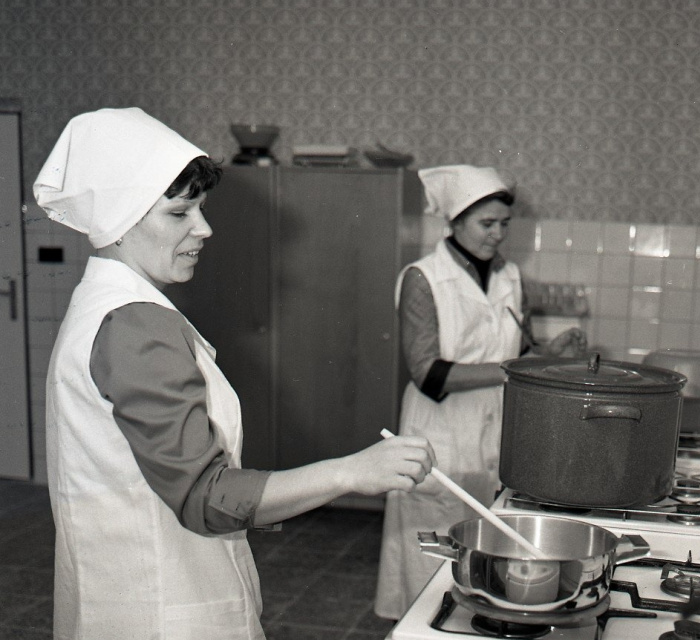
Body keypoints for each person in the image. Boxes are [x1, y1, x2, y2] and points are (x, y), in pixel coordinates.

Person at [35, 107, 435, 640]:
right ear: (120, 218)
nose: (205, 227)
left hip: (131, 590)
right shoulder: (135, 325)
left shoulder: (104, 306)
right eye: (180, 213)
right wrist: (352, 473)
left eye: (200, 208)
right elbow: (205, 495)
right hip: (160, 609)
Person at [374, 164, 586, 619]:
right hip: (441, 432)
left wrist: (552, 351)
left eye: (504, 224)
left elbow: (519, 349)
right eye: (486, 224)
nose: (498, 235)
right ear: (453, 222)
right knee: (431, 566)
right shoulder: (422, 278)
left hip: (495, 429)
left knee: (487, 560)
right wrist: (520, 366)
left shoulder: (510, 277)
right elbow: (428, 373)